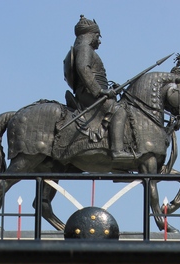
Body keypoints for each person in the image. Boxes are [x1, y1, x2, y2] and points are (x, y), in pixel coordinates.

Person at [64, 15, 134, 161]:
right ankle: (117, 150)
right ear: (90, 35)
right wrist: (100, 91)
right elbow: (83, 69)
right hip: (88, 93)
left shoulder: (82, 48)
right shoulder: (85, 48)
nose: (99, 41)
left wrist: (109, 89)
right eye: (97, 36)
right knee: (118, 110)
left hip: (90, 91)